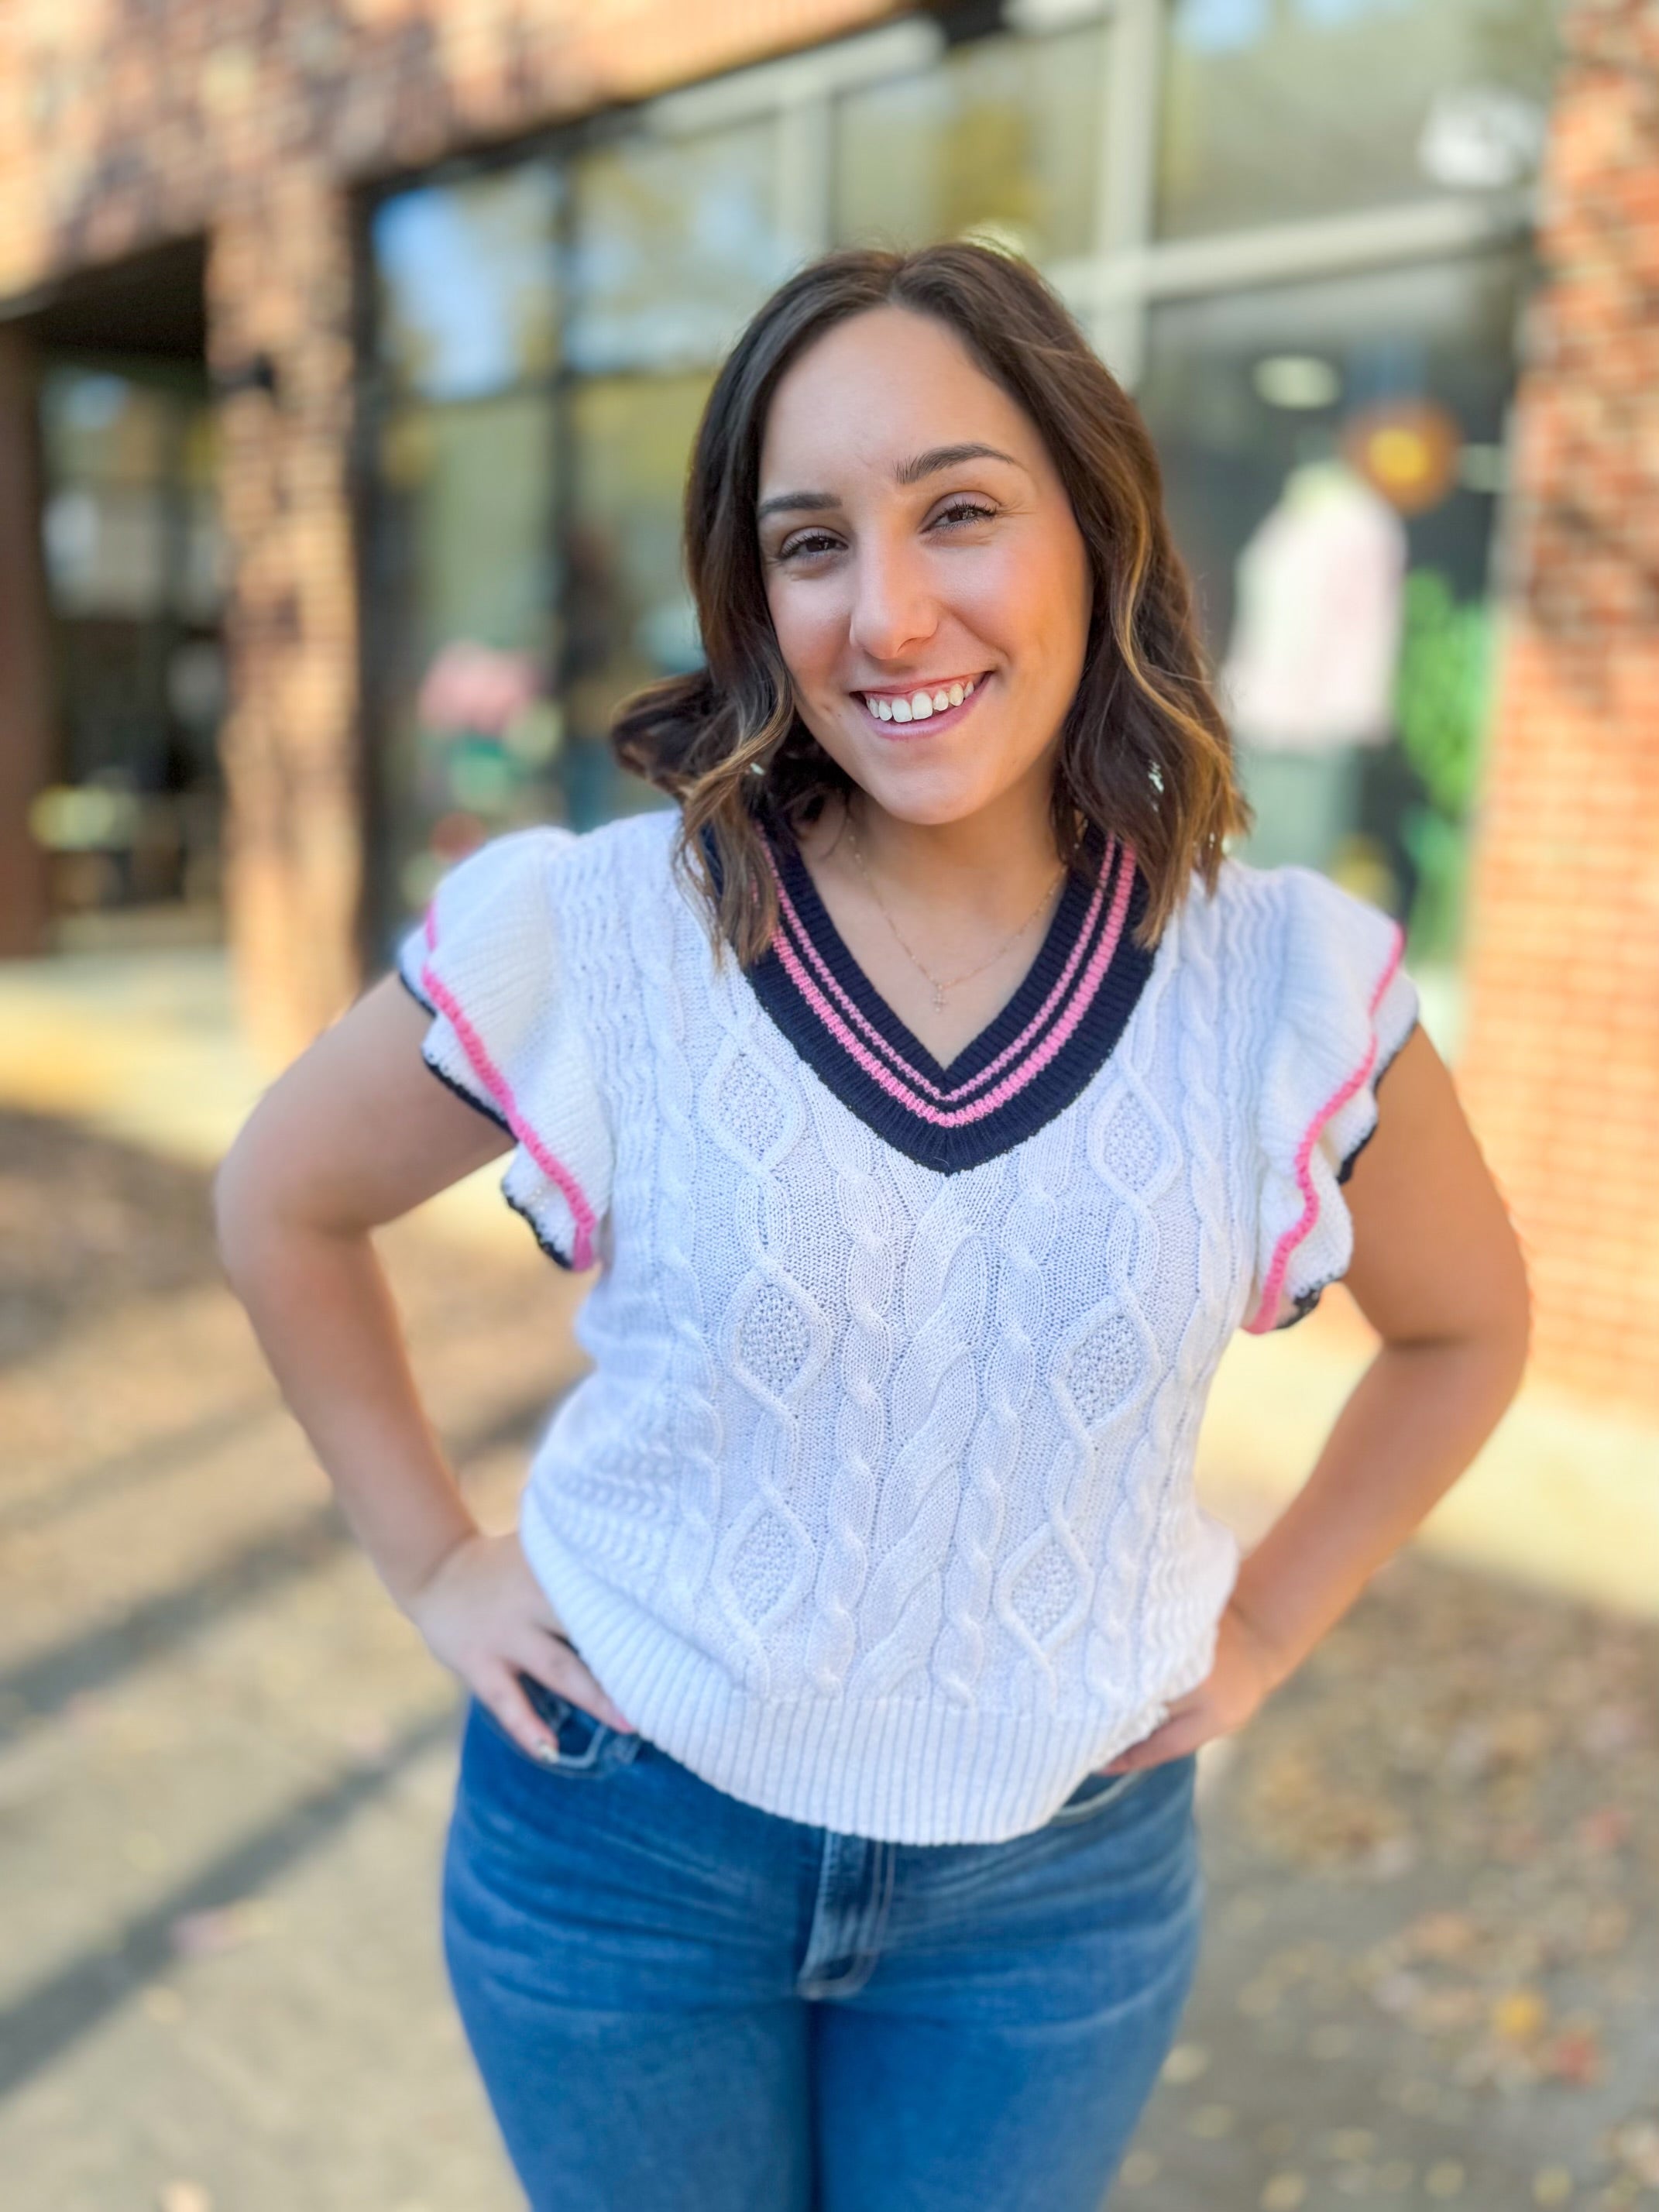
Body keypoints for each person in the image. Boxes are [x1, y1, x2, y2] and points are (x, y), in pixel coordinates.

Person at [213, 243, 1530, 2212]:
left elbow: (1468, 1332)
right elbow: (282, 1199)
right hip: (619, 1854)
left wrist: (1262, 1629)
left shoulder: (1285, 985)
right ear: (754, 598)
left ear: (1097, 525)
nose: (887, 609)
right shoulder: (600, 929)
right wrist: (432, 1559)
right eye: (810, 541)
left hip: (1054, 1903)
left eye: (963, 512)